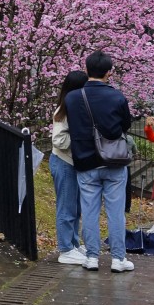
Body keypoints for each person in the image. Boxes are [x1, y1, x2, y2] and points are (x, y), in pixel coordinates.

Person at [63, 50, 135, 273]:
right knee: (115, 212)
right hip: (113, 162)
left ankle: (92, 257)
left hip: (85, 162)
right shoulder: (117, 97)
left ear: (86, 70)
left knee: (89, 211)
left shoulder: (72, 98)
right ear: (109, 72)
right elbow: (125, 125)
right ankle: (118, 259)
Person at [51, 70, 89, 264]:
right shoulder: (63, 110)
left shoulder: (74, 107)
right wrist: (80, 143)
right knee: (66, 206)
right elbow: (58, 139)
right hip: (64, 161)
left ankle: (73, 243)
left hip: (73, 162)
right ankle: (65, 248)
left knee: (76, 206)